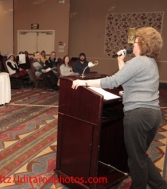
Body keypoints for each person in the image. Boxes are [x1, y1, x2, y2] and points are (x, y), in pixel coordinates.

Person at [71, 27, 166, 189]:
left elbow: (113, 82)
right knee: (141, 155)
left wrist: (83, 82)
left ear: (143, 44)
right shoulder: (150, 63)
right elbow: (126, 80)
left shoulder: (138, 61)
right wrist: (120, 60)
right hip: (153, 115)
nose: (133, 46)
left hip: (138, 116)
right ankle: (160, 185)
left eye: (135, 42)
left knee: (135, 161)